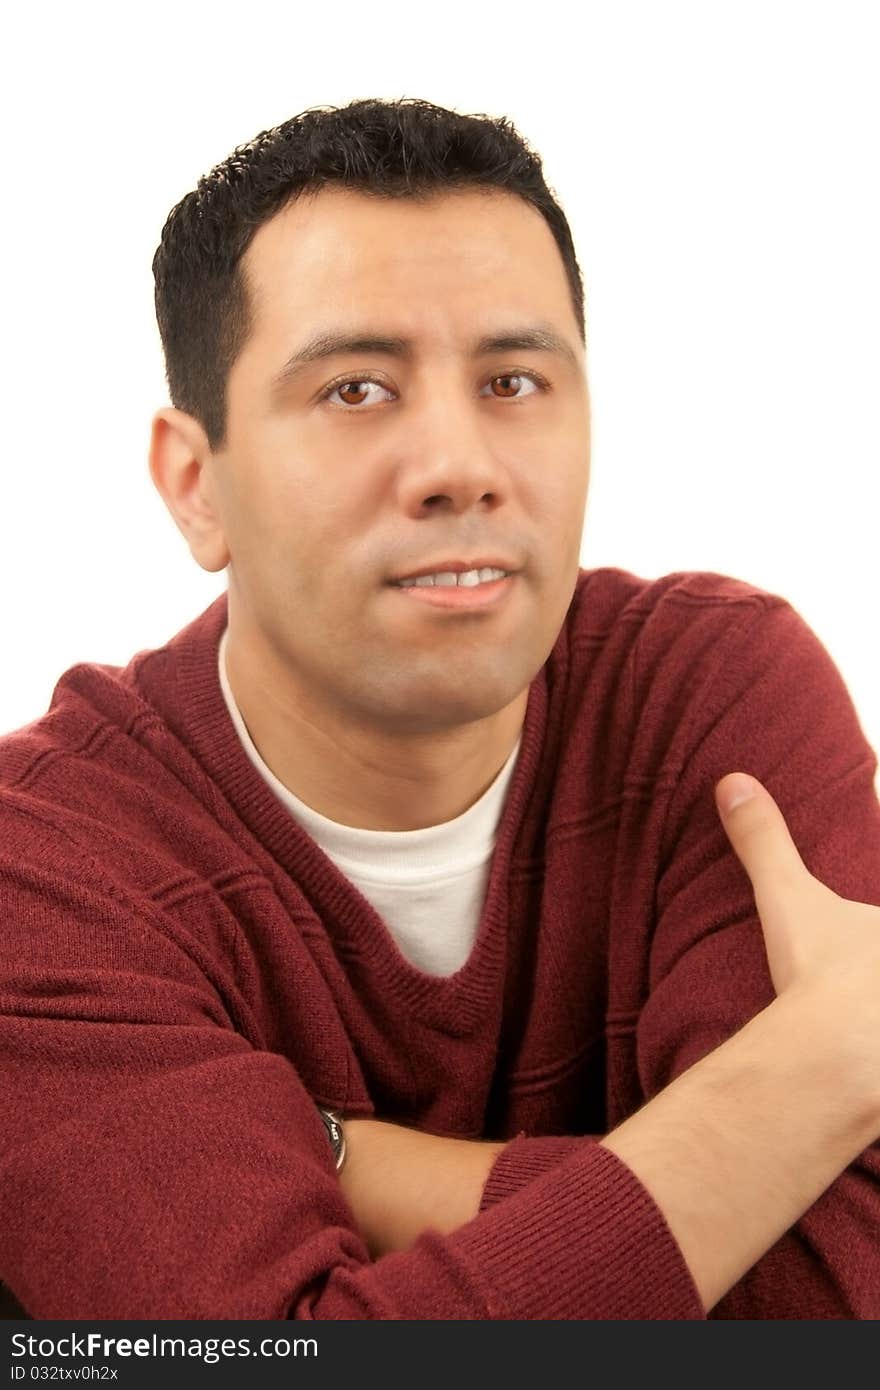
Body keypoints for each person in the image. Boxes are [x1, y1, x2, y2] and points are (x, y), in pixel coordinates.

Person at [1, 96, 878, 1323]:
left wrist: (356, 1162)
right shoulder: (42, 863)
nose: (460, 464)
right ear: (196, 486)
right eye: (356, 390)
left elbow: (828, 1305)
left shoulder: (713, 694)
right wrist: (834, 1062)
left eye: (513, 379)